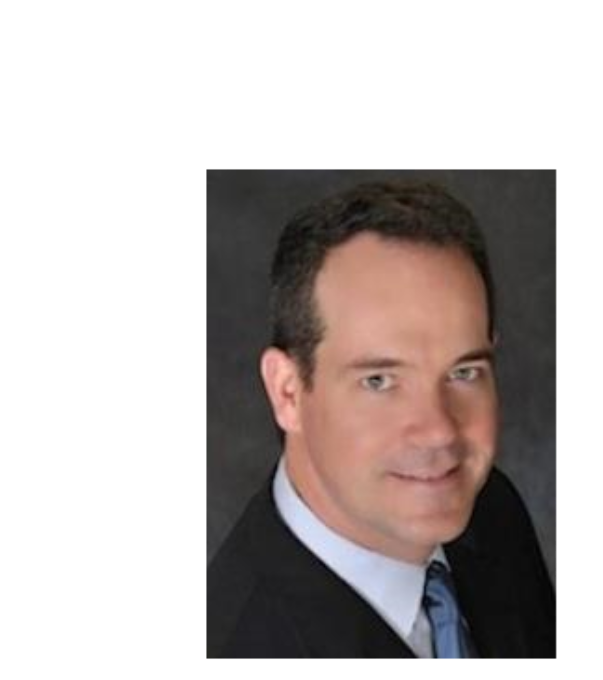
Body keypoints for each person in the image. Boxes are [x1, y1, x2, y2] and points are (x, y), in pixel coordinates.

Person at [206, 180, 557, 659]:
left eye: (463, 372)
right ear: (287, 392)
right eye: (379, 381)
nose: (439, 431)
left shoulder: (491, 512)